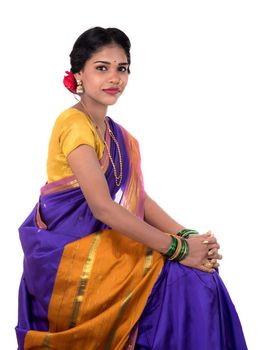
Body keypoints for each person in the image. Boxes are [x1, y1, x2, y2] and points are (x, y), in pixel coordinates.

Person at [16, 27, 247, 350]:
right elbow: (103, 207)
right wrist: (178, 249)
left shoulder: (118, 135)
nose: (115, 78)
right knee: (185, 278)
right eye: (102, 68)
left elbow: (141, 199)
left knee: (202, 276)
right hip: (69, 255)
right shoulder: (72, 124)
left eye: (121, 68)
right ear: (78, 73)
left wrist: (192, 238)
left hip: (105, 243)